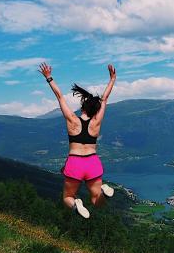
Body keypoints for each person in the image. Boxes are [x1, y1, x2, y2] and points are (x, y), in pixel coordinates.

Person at [39, 62, 116, 218]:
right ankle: (102, 191)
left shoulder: (72, 120)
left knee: (67, 197)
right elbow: (105, 99)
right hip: (92, 161)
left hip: (75, 162)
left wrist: (49, 77)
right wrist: (112, 79)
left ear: (82, 108)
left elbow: (59, 96)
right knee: (97, 202)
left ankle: (76, 204)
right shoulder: (96, 123)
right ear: (95, 110)